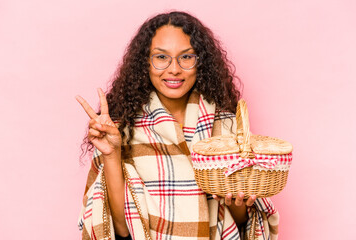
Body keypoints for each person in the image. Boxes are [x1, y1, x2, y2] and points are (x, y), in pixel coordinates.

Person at [77, 11, 279, 240]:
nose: (174, 69)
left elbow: (243, 224)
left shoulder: (227, 126)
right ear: (145, 63)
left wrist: (239, 204)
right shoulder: (121, 129)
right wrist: (112, 153)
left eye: (186, 57)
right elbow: (120, 230)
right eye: (161, 57)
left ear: (200, 62)